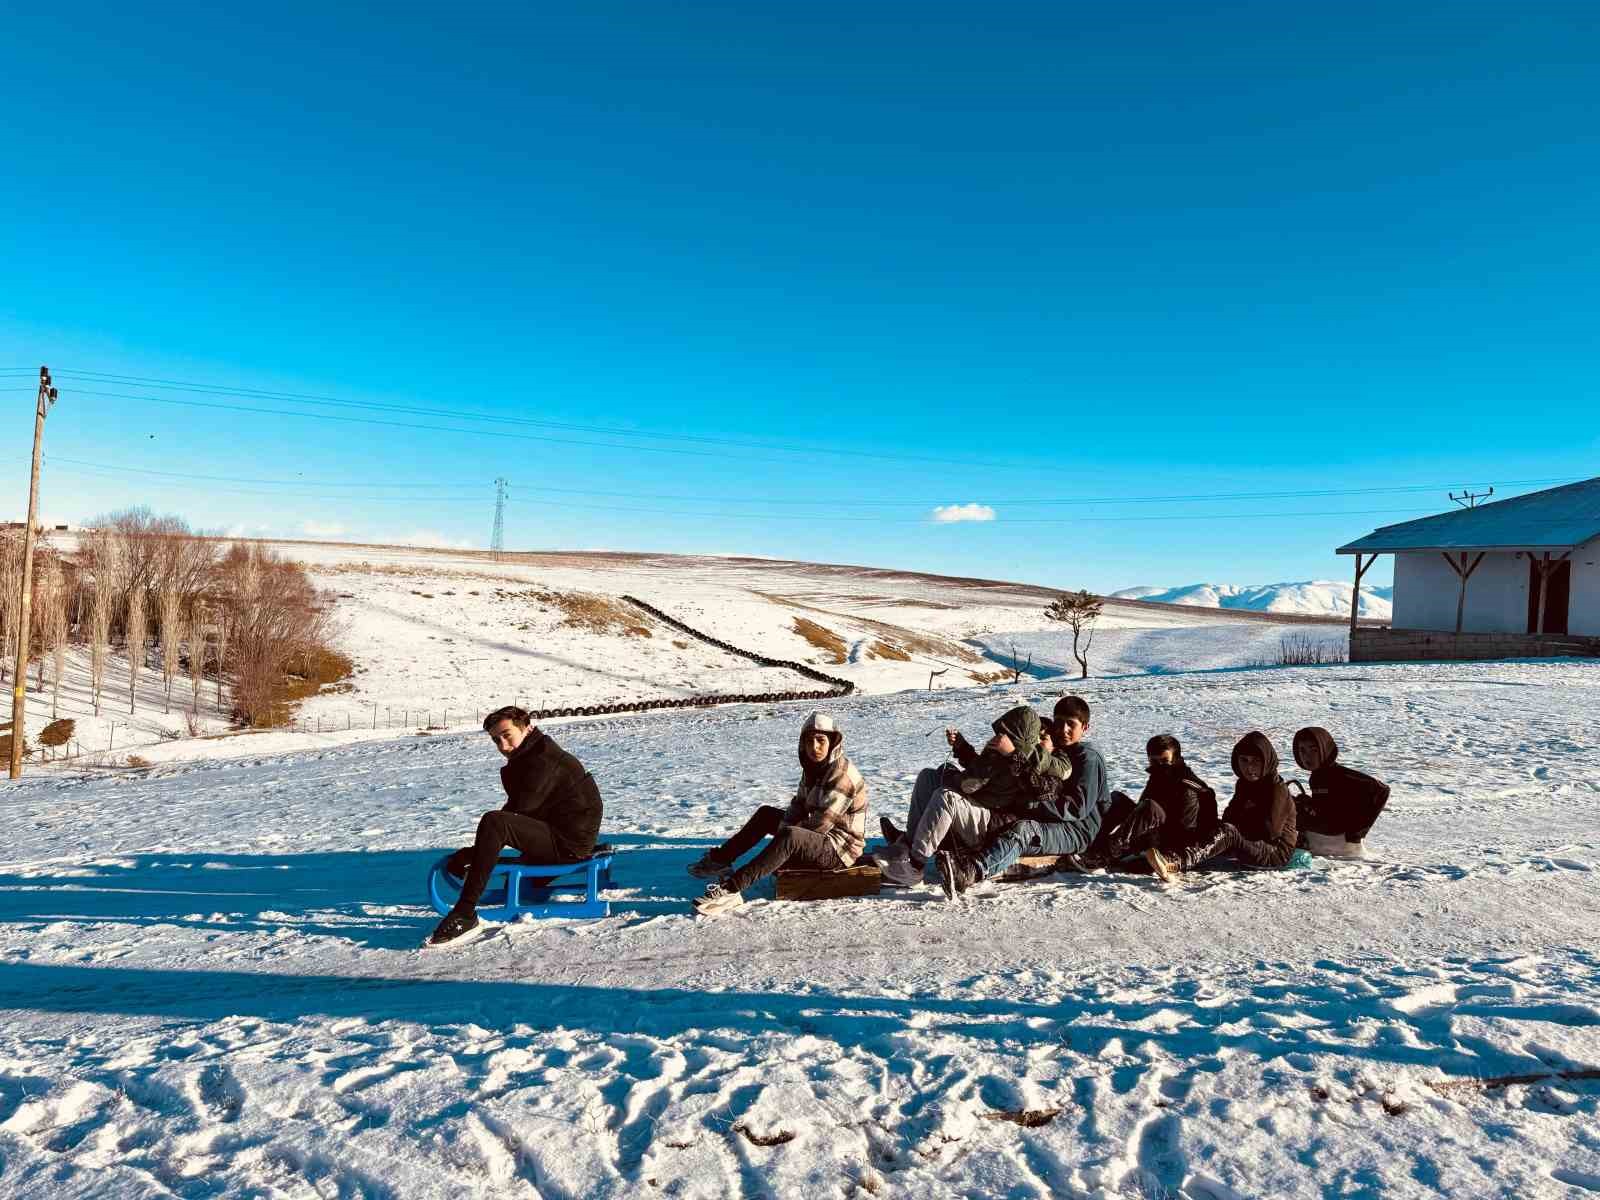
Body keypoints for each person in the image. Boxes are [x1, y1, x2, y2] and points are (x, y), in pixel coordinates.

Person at [428, 705, 604, 946]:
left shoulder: (544, 760)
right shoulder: (532, 753)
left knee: (494, 821)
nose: (502, 745)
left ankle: (465, 913)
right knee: (498, 827)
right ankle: (529, 880)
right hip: (562, 833)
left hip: (569, 843)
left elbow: (516, 813)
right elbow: (519, 812)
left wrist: (472, 854)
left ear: (527, 728)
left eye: (507, 735)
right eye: (495, 740)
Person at [688, 712, 868, 916]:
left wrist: (782, 845)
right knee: (767, 815)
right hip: (820, 839)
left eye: (821, 740)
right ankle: (720, 860)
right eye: (809, 741)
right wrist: (780, 840)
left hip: (839, 850)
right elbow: (798, 805)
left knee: (791, 837)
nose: (815, 747)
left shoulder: (841, 776)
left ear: (833, 742)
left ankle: (731, 890)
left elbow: (820, 826)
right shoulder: (814, 767)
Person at [874, 705, 1069, 888]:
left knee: (947, 797)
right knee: (929, 777)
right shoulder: (1016, 755)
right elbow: (984, 772)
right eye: (1038, 736)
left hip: (997, 826)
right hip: (982, 809)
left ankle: (914, 866)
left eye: (1044, 738)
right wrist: (962, 748)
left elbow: (1038, 789)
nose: (1040, 741)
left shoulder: (1050, 772)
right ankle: (907, 844)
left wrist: (1012, 756)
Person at [936, 695, 1109, 900]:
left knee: (1023, 830)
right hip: (1047, 818)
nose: (1063, 729)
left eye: (1071, 724)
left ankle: (970, 871)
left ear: (1085, 727)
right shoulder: (1049, 747)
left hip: (1076, 830)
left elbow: (1076, 808)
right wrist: (964, 749)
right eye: (1059, 722)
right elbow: (999, 770)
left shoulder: (1087, 757)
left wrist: (1029, 803)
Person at [1145, 731, 1296, 881]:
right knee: (1214, 828)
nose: (1249, 768)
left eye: (1255, 761)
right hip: (1249, 845)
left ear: (1266, 761)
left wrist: (1240, 825)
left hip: (1274, 854)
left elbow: (1269, 832)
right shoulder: (1244, 785)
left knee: (1228, 832)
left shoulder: (1276, 789)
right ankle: (1164, 853)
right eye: (1244, 760)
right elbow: (1230, 816)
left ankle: (1175, 862)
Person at [1082, 733, 1217, 869]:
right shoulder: (1159, 775)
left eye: (1164, 760)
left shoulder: (1187, 786)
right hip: (1158, 832)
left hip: (1179, 844)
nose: (1159, 765)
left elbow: (1184, 831)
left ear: (1176, 758)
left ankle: (1103, 855)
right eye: (1154, 761)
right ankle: (1088, 843)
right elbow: (1140, 809)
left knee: (1150, 808)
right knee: (1117, 799)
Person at [1291, 726, 1390, 857]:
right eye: (1302, 751)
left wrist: (1356, 833)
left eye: (1313, 750)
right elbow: (1328, 803)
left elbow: (1381, 790)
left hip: (1337, 837)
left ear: (1325, 749)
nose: (1307, 757)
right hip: (1325, 828)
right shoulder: (1317, 776)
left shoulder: (1338, 774)